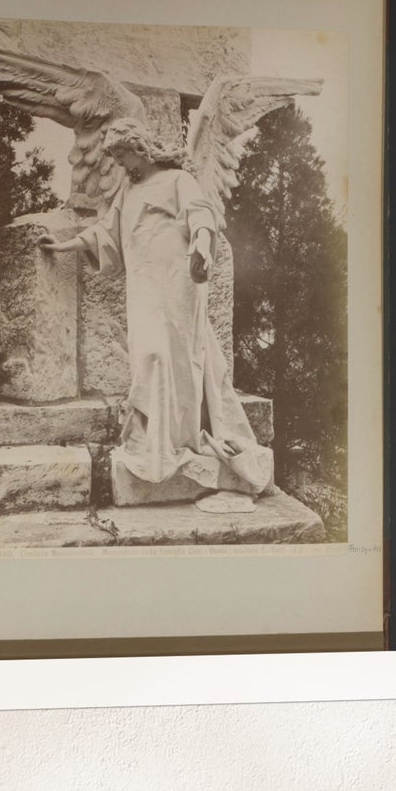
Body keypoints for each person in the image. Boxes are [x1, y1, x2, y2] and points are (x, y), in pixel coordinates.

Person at [38, 119, 273, 503]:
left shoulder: (178, 179)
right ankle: (155, 439)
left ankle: (176, 438)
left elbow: (202, 213)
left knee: (176, 357)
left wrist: (200, 243)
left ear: (139, 147)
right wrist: (65, 247)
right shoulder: (128, 191)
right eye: (113, 156)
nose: (117, 163)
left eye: (120, 154)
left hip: (178, 280)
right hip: (144, 285)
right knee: (149, 354)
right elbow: (106, 232)